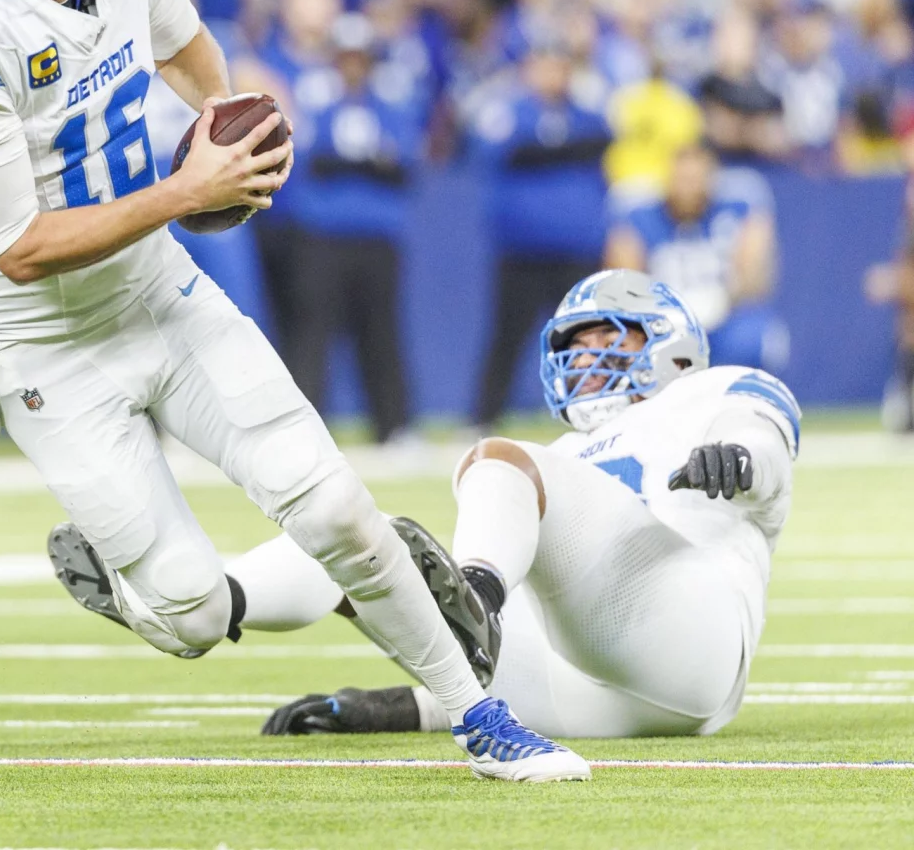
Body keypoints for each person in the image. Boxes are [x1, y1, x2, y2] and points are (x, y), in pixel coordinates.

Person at [0, 0, 586, 782]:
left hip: (152, 286)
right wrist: (186, 188)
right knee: (189, 614)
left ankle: (480, 717)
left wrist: (229, 129)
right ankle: (129, 579)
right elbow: (20, 247)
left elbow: (183, 47)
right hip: (39, 339)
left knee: (335, 504)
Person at [228, 270, 796, 740]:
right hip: (594, 694)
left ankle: (473, 601)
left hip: (694, 642)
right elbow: (535, 638)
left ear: (669, 345)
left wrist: (742, 459)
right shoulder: (567, 451)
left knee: (500, 460)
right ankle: (196, 600)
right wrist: (402, 708)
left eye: (607, 337)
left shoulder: (706, 394)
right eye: (574, 345)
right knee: (357, 537)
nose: (583, 356)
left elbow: (766, 437)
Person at [254, 11, 421, 445]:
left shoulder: (389, 103)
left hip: (376, 238)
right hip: (322, 238)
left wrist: (354, 164)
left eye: (359, 57)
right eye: (345, 56)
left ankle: (394, 428)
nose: (352, 65)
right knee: (312, 336)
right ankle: (304, 432)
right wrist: (367, 163)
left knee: (381, 335)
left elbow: (402, 166)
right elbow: (311, 158)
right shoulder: (312, 98)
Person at [469, 42, 612, 430]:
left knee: (586, 339)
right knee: (507, 337)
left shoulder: (587, 114)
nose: (553, 74)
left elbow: (605, 139)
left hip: (577, 248)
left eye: (560, 65)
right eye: (546, 64)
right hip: (522, 250)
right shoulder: (509, 111)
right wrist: (560, 151)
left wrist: (548, 151)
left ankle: (595, 411)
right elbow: (497, 149)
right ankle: (483, 417)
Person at [605, 139, 787, 372]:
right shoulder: (639, 214)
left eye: (695, 180)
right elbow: (622, 283)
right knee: (625, 339)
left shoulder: (738, 206)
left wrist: (721, 299)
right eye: (682, 180)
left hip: (726, 316)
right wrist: (666, 313)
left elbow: (755, 276)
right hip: (660, 323)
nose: (688, 189)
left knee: (752, 336)